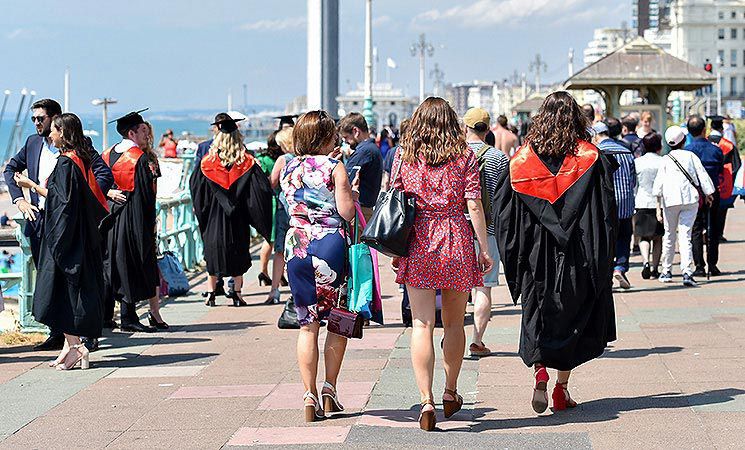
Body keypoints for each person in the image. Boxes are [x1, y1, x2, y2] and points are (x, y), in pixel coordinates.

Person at [495, 91, 617, 414]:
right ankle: (561, 389)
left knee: (538, 314)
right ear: (576, 119)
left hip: (535, 257)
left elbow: (506, 222)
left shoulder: (521, 164)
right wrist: (602, 264)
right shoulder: (591, 159)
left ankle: (540, 373)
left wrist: (516, 263)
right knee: (572, 318)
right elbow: (604, 218)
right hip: (577, 254)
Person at [390, 97, 493, 431]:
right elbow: (474, 205)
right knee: (453, 324)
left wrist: (394, 250)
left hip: (418, 240)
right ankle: (450, 390)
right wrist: (483, 247)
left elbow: (393, 202)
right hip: (455, 238)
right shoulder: (465, 156)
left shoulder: (404, 157)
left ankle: (426, 401)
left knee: (422, 325)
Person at [3, 98, 113, 351]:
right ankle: (58, 334)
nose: (36, 123)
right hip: (41, 219)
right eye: (33, 119)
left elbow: (103, 174)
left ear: (56, 120)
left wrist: (84, 204)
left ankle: (85, 336)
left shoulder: (79, 149)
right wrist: (20, 200)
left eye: (40, 118)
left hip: (71, 224)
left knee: (77, 278)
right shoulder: (32, 143)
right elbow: (10, 170)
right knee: (51, 280)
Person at [279, 110, 360, 422]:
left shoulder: (288, 166)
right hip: (329, 245)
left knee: (307, 324)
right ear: (328, 137)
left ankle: (308, 394)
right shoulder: (335, 167)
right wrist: (351, 190)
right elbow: (347, 212)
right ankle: (330, 389)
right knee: (337, 319)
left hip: (297, 244)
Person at [190, 113, 273, 307]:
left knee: (212, 253)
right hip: (238, 216)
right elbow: (261, 192)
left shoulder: (206, 164)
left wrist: (202, 212)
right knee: (238, 251)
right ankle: (237, 294)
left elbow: (197, 192)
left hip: (213, 218)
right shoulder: (246, 163)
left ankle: (211, 294)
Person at [101, 110, 168, 332]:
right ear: (131, 133)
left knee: (108, 265)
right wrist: (149, 226)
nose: (146, 136)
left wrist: (109, 193)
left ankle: (105, 316)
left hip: (108, 217)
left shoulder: (107, 154)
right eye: (143, 131)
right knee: (129, 264)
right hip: (132, 217)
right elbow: (147, 197)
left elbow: (97, 182)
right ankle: (128, 318)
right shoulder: (140, 158)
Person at [462, 108, 508, 358]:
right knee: (484, 287)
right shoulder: (498, 158)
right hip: (489, 230)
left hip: (458, 228)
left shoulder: (455, 156)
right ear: (487, 128)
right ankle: (477, 340)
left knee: (457, 288)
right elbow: (504, 196)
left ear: (465, 127)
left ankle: (454, 334)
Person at [653, 126, 715, 287]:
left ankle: (666, 270)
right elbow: (702, 176)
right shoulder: (690, 156)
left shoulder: (665, 159)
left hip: (669, 200)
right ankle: (687, 272)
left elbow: (658, 186)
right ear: (683, 140)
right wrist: (708, 193)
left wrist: (658, 206)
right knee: (685, 236)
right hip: (689, 199)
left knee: (669, 235)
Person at [593, 119, 636, 289]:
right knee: (624, 237)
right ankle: (620, 268)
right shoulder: (625, 151)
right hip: (626, 202)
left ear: (596, 135)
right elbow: (633, 180)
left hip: (606, 205)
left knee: (606, 240)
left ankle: (607, 274)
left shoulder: (598, 152)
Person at [685, 115, 724, 277]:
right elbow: (721, 171)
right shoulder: (716, 150)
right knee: (713, 229)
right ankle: (712, 264)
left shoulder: (686, 151)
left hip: (694, 195)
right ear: (704, 130)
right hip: (713, 193)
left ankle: (699, 265)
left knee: (695, 230)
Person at [265, 127, 294, 304]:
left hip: (284, 207)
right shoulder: (303, 157)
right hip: (301, 208)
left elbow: (272, 182)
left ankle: (275, 289)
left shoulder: (284, 159)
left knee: (280, 250)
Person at [338, 112, 383, 221]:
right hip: (365, 209)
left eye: (346, 137)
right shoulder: (371, 149)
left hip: (359, 211)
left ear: (355, 131)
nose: (346, 142)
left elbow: (345, 181)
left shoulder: (364, 152)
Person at [255, 131, 286, 289]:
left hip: (269, 201)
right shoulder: (282, 160)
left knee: (270, 239)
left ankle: (265, 271)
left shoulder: (263, 159)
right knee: (275, 240)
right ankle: (274, 274)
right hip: (278, 202)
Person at [633, 133, 664, 279]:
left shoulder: (638, 162)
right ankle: (655, 268)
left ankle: (645, 261)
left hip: (641, 202)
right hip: (659, 204)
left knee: (643, 236)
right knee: (658, 238)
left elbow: (635, 184)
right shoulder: (663, 162)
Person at [708, 115, 741, 248]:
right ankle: (718, 234)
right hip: (723, 184)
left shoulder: (705, 142)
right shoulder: (728, 145)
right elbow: (736, 165)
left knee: (707, 209)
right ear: (722, 128)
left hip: (707, 184)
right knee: (721, 210)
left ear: (710, 128)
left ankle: (707, 232)